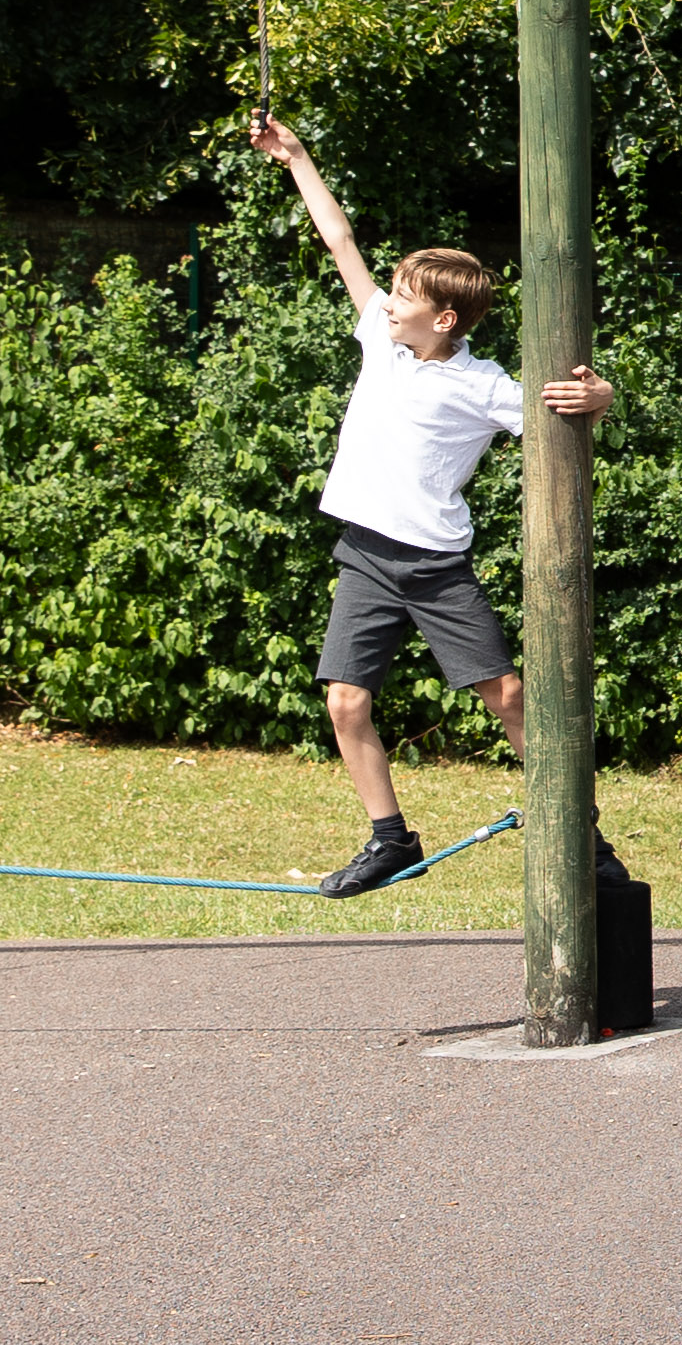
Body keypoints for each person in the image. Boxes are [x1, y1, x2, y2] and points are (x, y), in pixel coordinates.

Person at [248, 116, 609, 897]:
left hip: (436, 566)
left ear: (444, 317)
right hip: (366, 555)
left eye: (403, 296)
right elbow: (341, 242)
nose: (387, 303)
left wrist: (602, 395)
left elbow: (565, 409)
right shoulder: (384, 345)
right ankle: (390, 841)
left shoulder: (482, 387)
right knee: (346, 701)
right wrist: (297, 157)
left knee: (508, 696)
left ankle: (586, 835)